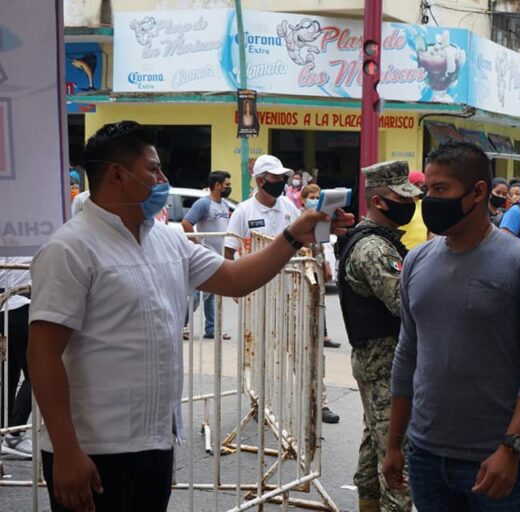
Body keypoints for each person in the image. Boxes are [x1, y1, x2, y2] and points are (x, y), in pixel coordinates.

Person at [26, 121, 353, 512]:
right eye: (153, 169)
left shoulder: (167, 240)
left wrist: (293, 236)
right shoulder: (70, 249)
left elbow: (235, 278)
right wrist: (66, 450)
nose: (163, 179)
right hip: (93, 450)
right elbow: (42, 354)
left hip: (156, 442)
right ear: (116, 174)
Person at [383, 141, 520, 511]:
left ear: (478, 192)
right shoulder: (417, 261)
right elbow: (407, 355)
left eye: (441, 190)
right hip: (426, 457)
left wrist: (511, 447)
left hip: (494, 462)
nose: (429, 200)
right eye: (427, 190)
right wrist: (394, 443)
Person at [336, 160, 421, 512]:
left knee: (377, 443)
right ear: (378, 201)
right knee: (396, 461)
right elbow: (406, 305)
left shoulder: (377, 241)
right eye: (401, 197)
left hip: (378, 359)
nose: (411, 205)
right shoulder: (374, 248)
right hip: (384, 362)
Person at [299, 184, 342, 424]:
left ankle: (320, 402)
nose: (314, 201)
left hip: (314, 292)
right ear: (303, 199)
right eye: (311, 198)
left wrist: (325, 263)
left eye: (318, 198)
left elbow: (320, 247)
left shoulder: (320, 222)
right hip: (294, 293)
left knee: (315, 352)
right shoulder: (298, 221)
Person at [181, 170, 233, 340]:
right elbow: (186, 223)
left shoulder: (224, 205)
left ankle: (212, 329)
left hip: (219, 255)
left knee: (213, 294)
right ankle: (182, 324)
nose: (229, 188)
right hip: (207, 256)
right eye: (227, 185)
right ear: (217, 185)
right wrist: (197, 245)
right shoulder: (204, 204)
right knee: (197, 294)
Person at [224, 155, 301, 260]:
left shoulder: (288, 205)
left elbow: (303, 238)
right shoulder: (243, 211)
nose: (281, 181)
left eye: (282, 177)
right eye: (276, 177)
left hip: (287, 275)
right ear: (260, 181)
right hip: (254, 275)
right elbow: (228, 251)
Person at [0, 257, 33, 459]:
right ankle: (14, 433)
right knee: (36, 373)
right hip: (22, 303)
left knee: (8, 373)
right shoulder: (34, 232)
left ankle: (6, 433)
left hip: (5, 305)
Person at [401, 171, 429, 249]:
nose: (420, 188)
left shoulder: (424, 205)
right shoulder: (400, 205)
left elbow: (429, 231)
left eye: (422, 185)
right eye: (416, 184)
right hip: (403, 253)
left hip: (421, 254)